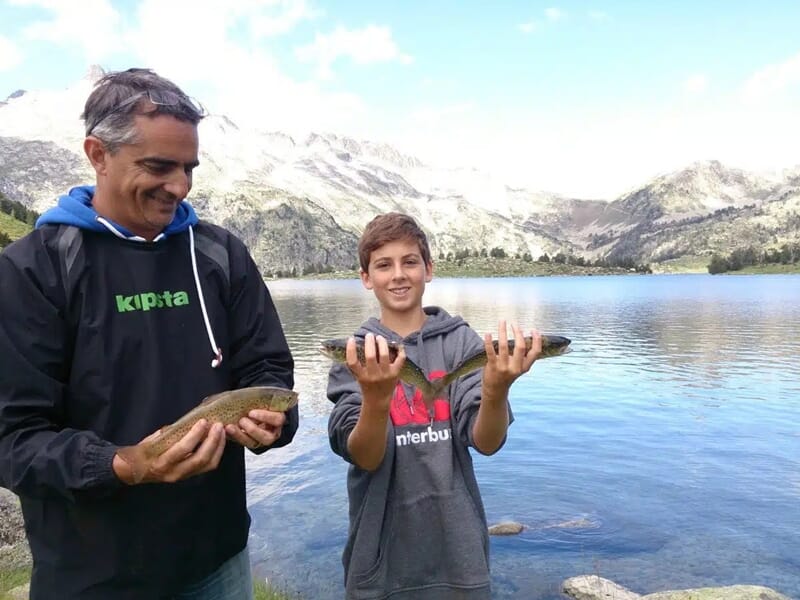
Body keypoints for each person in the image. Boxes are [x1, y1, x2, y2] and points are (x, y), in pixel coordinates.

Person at [0, 68, 297, 599]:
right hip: (91, 577)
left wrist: (274, 421)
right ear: (98, 154)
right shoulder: (33, 270)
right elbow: (13, 439)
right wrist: (124, 464)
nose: (179, 186)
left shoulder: (221, 255)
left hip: (218, 560)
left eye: (189, 168)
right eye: (159, 166)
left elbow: (269, 370)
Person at [327, 212, 543, 599]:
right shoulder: (354, 354)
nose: (398, 274)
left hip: (460, 560)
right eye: (383, 265)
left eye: (409, 261)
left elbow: (487, 442)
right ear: (365, 278)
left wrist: (496, 389)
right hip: (378, 564)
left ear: (429, 270)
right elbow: (364, 457)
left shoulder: (461, 343)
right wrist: (376, 402)